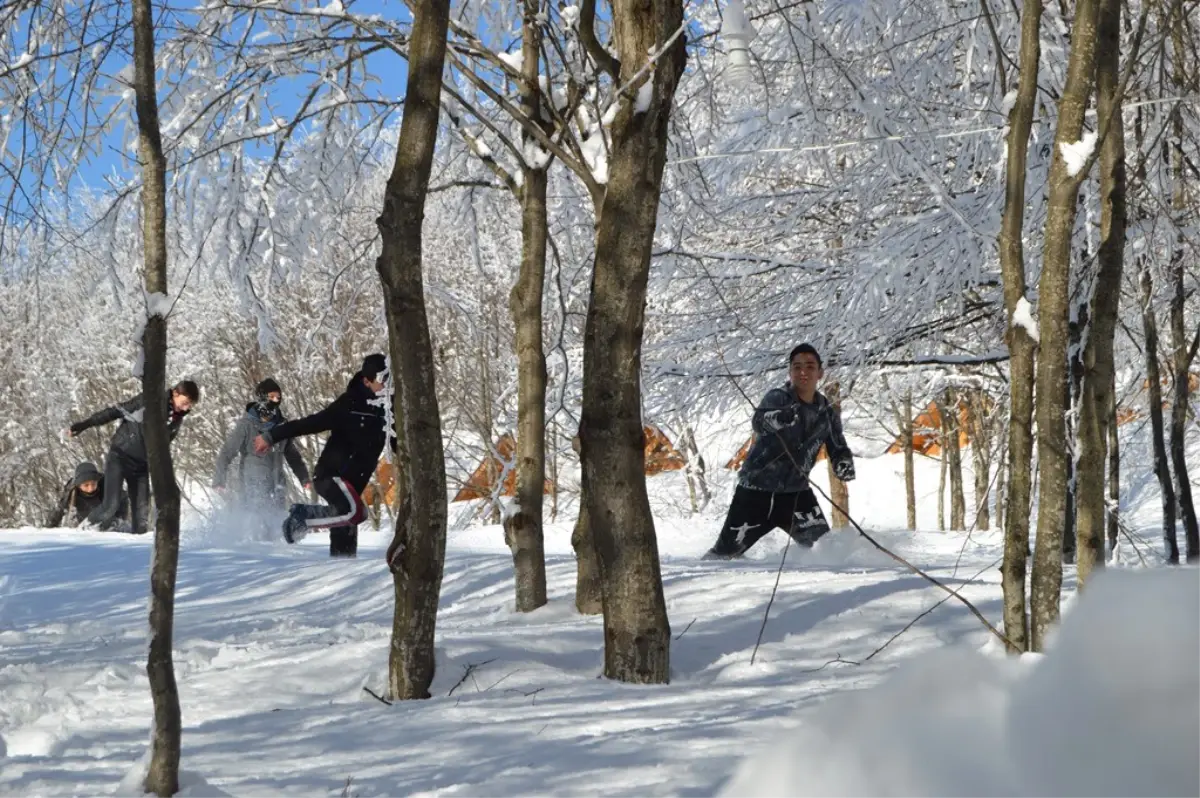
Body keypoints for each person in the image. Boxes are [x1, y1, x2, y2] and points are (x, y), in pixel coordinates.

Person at [704, 344, 855, 559]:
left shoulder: (826, 412)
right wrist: (778, 419)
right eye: (797, 367)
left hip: (797, 495)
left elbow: (837, 445)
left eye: (810, 366)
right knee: (725, 554)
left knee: (825, 551)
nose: (803, 372)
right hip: (755, 493)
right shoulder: (777, 398)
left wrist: (843, 463)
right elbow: (759, 422)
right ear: (790, 372)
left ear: (820, 373)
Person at [253, 354, 391, 558]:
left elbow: (399, 443)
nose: (387, 386)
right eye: (382, 381)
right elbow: (310, 423)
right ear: (366, 381)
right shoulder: (349, 404)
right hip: (331, 477)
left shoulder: (388, 410)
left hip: (353, 485)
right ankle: (303, 516)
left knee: (345, 534)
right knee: (355, 512)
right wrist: (271, 436)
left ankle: (341, 573)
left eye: (389, 380)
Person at [66, 380, 200, 534]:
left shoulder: (177, 420)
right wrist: (84, 425)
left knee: (141, 517)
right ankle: (82, 532)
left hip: (141, 466)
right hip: (120, 456)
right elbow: (114, 412)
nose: (186, 408)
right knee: (111, 505)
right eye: (185, 403)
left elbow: (162, 449)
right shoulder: (149, 400)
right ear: (175, 393)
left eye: (190, 405)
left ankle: (137, 552)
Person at [213, 378, 311, 530]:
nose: (276, 401)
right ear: (261, 398)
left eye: (278, 397)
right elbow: (227, 452)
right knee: (256, 524)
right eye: (271, 397)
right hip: (253, 483)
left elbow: (293, 456)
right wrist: (219, 480)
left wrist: (304, 477)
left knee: (276, 525)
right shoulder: (246, 425)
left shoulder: (282, 426)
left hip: (277, 483)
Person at [45, 460, 127, 528]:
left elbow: (123, 498)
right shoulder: (71, 491)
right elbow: (58, 511)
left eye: (93, 484)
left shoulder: (107, 484)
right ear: (78, 485)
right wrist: (48, 529)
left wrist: (119, 518)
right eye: (86, 485)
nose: (90, 489)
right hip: (84, 522)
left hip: (107, 518)